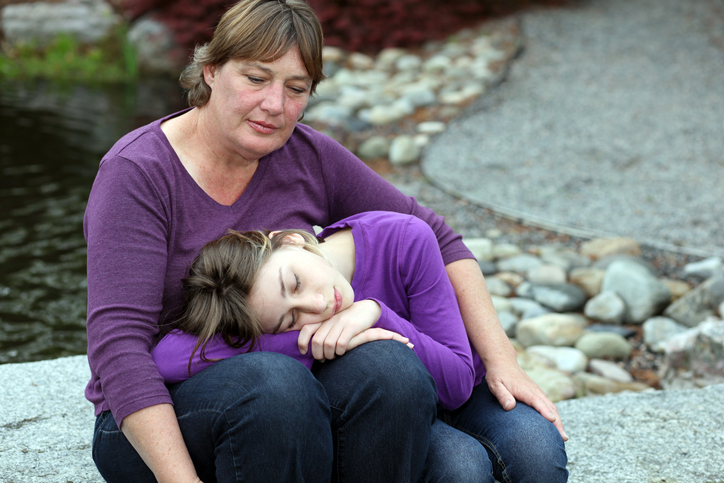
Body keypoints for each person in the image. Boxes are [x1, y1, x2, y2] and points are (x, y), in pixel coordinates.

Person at [83, 0, 567, 481]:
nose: (274, 106)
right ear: (210, 70)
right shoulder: (138, 175)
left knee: (520, 448)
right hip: (165, 409)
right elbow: (120, 348)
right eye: (255, 78)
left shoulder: (305, 154)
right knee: (278, 385)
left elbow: (441, 241)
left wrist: (503, 361)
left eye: (296, 89)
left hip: (309, 393)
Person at [152, 211, 568, 482]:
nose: (316, 305)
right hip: (390, 412)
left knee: (537, 457)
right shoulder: (280, 315)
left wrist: (376, 313)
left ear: (290, 241)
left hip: (455, 385)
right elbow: (167, 358)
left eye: (295, 282)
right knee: (461, 470)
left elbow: (458, 383)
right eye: (290, 318)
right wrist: (306, 342)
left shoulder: (403, 239)